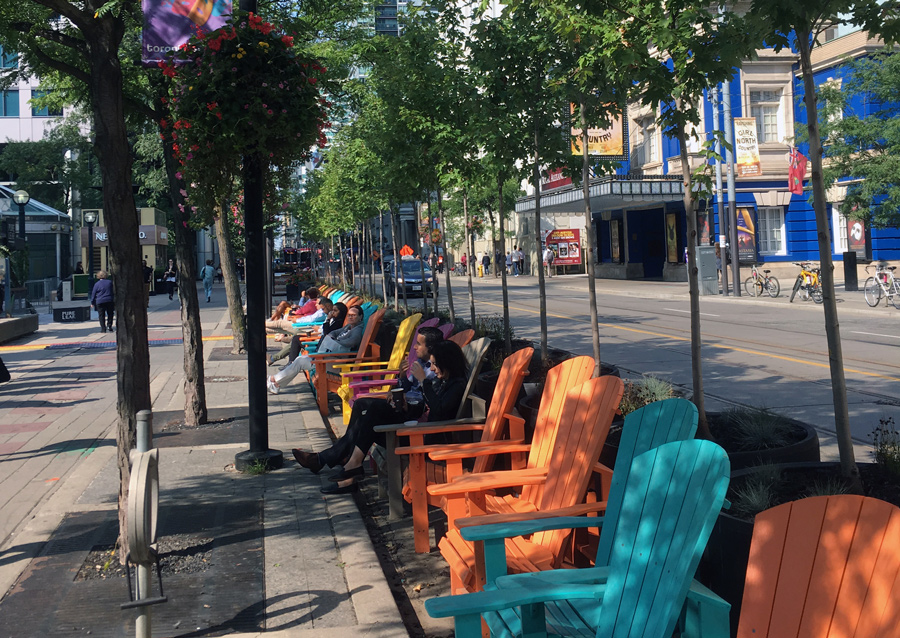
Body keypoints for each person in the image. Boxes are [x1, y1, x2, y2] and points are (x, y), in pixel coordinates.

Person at [291, 339, 468, 494]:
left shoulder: (457, 386)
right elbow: (429, 407)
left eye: (435, 364)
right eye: (431, 364)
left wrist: (424, 381)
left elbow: (438, 411)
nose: (432, 368)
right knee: (364, 405)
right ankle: (348, 468)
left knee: (373, 412)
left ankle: (344, 466)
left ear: (448, 363)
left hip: (423, 438)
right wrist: (408, 406)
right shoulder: (444, 381)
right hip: (418, 428)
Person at [266, 305, 365, 394]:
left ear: (360, 317)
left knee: (299, 361)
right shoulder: (348, 327)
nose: (350, 317)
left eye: (354, 315)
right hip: (328, 358)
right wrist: (332, 338)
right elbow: (333, 332)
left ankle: (274, 380)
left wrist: (333, 342)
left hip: (336, 363)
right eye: (349, 315)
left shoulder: (357, 331)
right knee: (298, 360)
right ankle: (276, 383)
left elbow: (350, 342)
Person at [268, 301, 346, 366]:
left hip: (316, 338)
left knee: (283, 327)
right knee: (291, 336)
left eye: (335, 311)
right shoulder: (333, 319)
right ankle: (283, 360)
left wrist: (327, 320)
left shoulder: (336, 322)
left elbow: (326, 332)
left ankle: (287, 362)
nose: (332, 312)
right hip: (313, 333)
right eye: (333, 310)